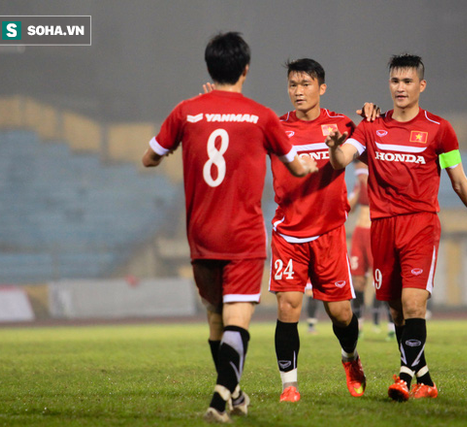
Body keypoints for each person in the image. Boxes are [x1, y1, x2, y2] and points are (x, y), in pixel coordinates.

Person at [141, 32, 317, 423]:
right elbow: (297, 166)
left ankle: (234, 393)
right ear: (246, 69)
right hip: (243, 237)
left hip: (201, 236)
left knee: (215, 319)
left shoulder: (186, 112)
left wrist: (174, 143)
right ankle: (222, 396)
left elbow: (149, 157)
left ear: (209, 68)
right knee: (237, 321)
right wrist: (312, 165)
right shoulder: (261, 116)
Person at [326, 53, 467, 402]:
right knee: (395, 309)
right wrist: (335, 149)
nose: (400, 88)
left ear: (421, 85)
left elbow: (459, 183)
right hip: (381, 228)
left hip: (420, 226)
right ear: (388, 84)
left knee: (413, 304)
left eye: (408, 81)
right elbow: (342, 159)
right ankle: (426, 380)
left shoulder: (440, 130)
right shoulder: (371, 127)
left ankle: (405, 376)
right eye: (395, 81)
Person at [268, 58, 366, 402]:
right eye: (293, 85)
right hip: (288, 233)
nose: (298, 91)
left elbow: (372, 152)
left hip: (328, 234)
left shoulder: (341, 124)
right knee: (287, 308)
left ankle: (350, 359)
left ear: (321, 88)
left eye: (305, 84)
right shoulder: (276, 127)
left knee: (340, 313)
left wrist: (374, 119)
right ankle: (289, 386)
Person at [348, 160, 395, 340]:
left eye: (360, 165)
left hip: (376, 232)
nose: (357, 169)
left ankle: (392, 324)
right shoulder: (358, 185)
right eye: (356, 166)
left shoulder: (380, 181)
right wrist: (359, 187)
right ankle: (358, 324)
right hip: (359, 233)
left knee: (381, 281)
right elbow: (350, 209)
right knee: (358, 281)